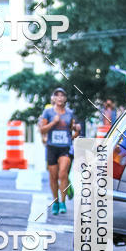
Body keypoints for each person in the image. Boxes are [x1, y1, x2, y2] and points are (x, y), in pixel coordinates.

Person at [38, 87, 76, 215]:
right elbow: (42, 130)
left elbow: (72, 130)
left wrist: (77, 130)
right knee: (53, 177)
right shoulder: (48, 112)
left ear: (65, 98)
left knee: (63, 173)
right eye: (57, 95)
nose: (60, 98)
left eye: (62, 95)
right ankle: (55, 201)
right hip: (52, 148)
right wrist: (53, 123)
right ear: (53, 98)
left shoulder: (70, 113)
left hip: (65, 147)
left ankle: (63, 202)